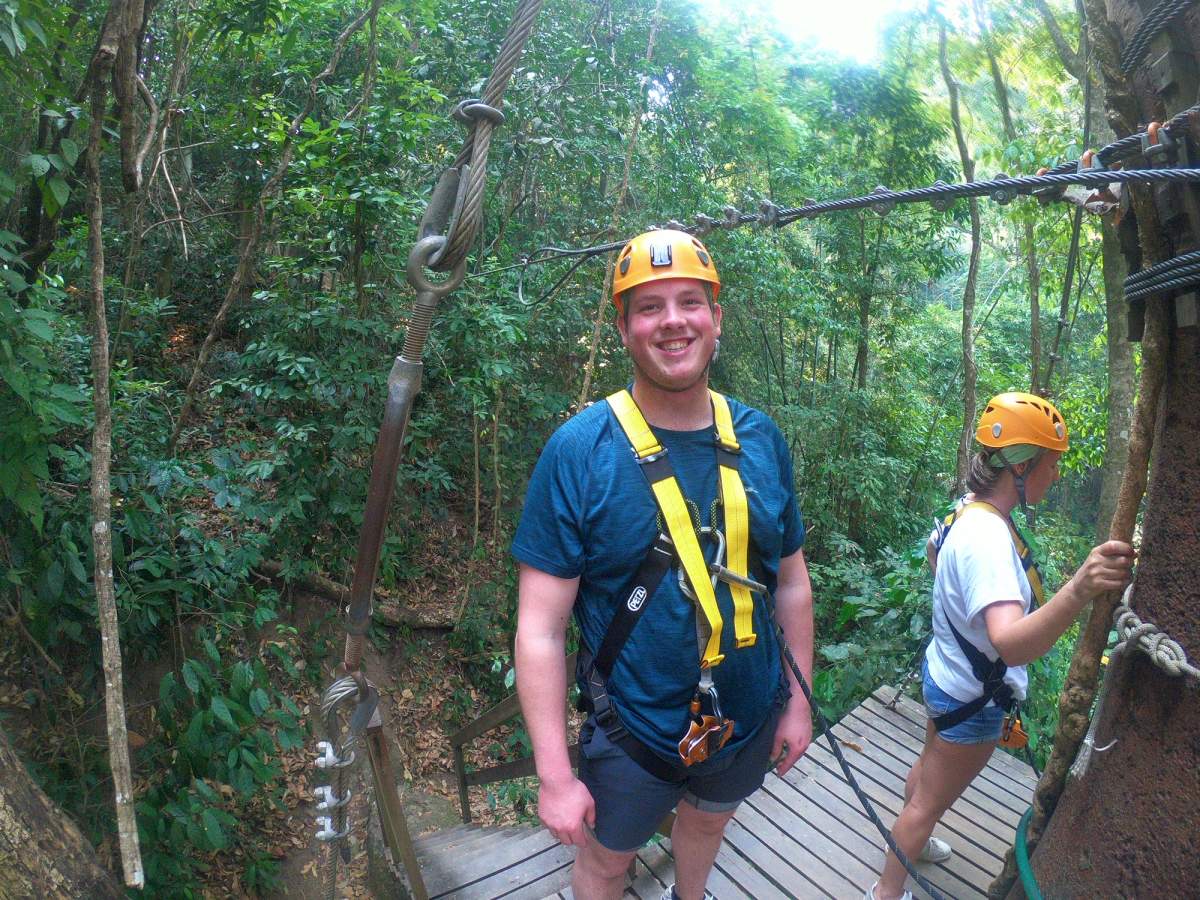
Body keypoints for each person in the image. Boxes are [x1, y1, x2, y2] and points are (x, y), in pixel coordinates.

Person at [512, 229, 815, 900]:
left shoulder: (761, 438)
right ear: (623, 328)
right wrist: (555, 775)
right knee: (606, 863)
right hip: (632, 730)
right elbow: (538, 629)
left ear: (717, 320)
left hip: (747, 710)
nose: (672, 321)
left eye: (689, 302)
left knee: (708, 827)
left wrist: (796, 705)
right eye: (649, 307)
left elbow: (790, 581)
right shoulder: (581, 451)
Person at [868, 392, 1134, 900]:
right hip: (973, 699)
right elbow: (1009, 645)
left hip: (947, 676)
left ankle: (913, 845)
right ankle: (886, 890)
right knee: (926, 804)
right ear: (1022, 466)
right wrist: (1079, 588)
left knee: (926, 775)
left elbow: (933, 553)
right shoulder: (989, 539)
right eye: (1051, 465)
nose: (1054, 477)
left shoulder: (965, 512)